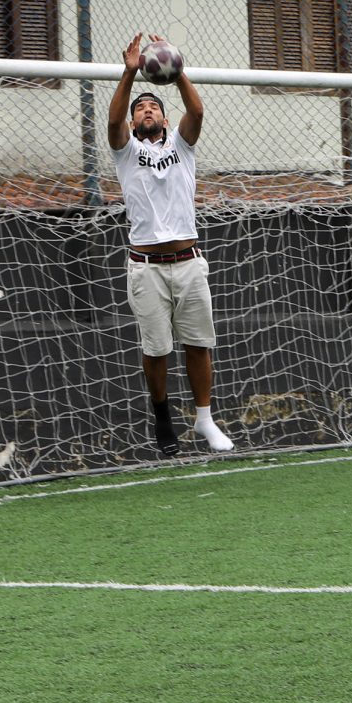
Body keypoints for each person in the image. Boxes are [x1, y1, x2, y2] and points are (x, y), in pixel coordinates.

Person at [106, 33, 233, 456]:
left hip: (189, 261)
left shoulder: (181, 145)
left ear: (163, 117)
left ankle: (204, 420)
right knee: (156, 350)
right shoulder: (125, 152)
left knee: (198, 344)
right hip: (146, 266)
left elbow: (196, 110)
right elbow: (112, 124)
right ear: (134, 118)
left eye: (153, 106)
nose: (147, 110)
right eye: (141, 107)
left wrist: (177, 73)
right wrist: (129, 71)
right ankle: (163, 420)